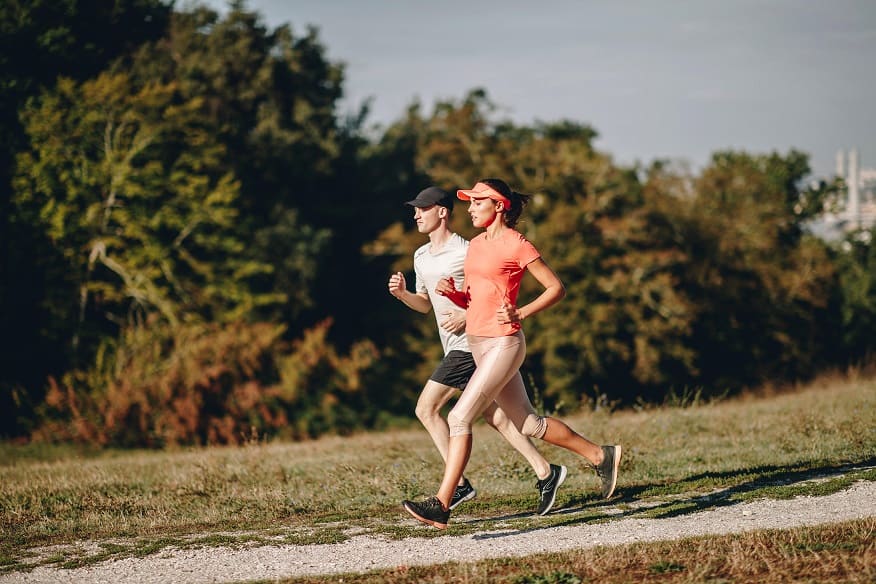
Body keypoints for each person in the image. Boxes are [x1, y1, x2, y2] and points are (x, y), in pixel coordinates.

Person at [402, 179, 622, 529]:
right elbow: (475, 297)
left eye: (477, 202)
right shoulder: (474, 246)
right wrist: (455, 296)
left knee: (459, 418)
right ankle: (600, 455)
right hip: (477, 342)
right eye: (469, 202)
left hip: (504, 343)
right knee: (527, 423)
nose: (470, 208)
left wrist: (522, 312)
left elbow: (556, 288)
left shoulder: (516, 244)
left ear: (499, 206)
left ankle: (442, 504)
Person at [388, 186, 567, 516]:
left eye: (422, 209)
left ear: (442, 212)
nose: (415, 214)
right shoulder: (420, 256)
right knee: (497, 415)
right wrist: (402, 295)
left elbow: (487, 298)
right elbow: (425, 305)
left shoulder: (467, 250)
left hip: (470, 345)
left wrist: (466, 314)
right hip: (457, 346)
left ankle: (455, 487)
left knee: (428, 408)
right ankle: (546, 470)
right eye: (414, 209)